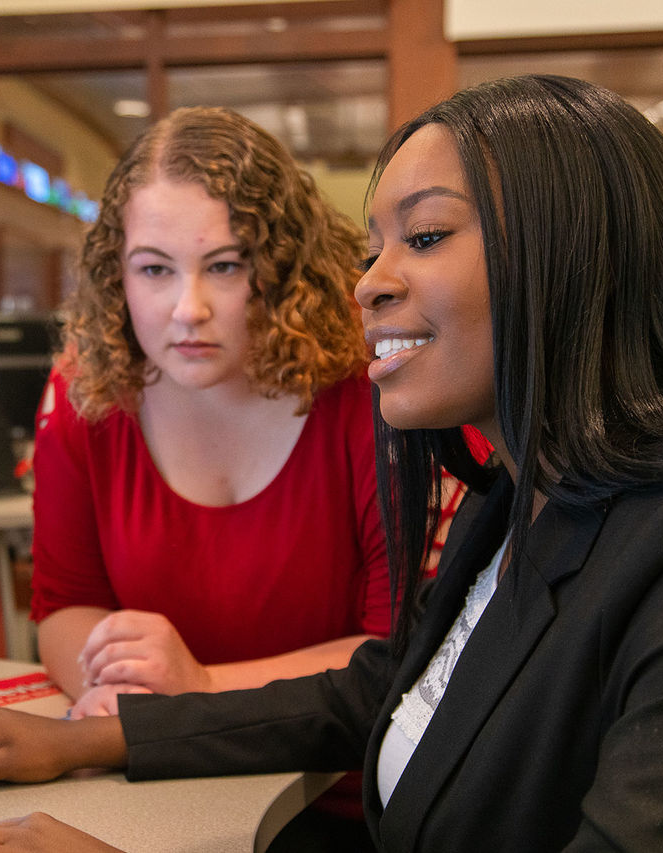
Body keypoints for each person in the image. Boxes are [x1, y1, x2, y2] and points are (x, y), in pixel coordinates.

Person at [0, 75, 663, 852]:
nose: (367, 282)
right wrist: (84, 737)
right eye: (372, 246)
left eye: (426, 236)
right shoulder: (525, 500)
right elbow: (377, 685)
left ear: (570, 257)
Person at [29, 105, 406, 723]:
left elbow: (403, 649)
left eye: (225, 266)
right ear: (115, 275)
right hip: (159, 767)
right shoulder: (85, 387)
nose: (188, 308)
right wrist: (116, 699)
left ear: (285, 268)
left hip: (342, 780)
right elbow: (66, 606)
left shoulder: (372, 383)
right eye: (154, 269)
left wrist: (200, 688)